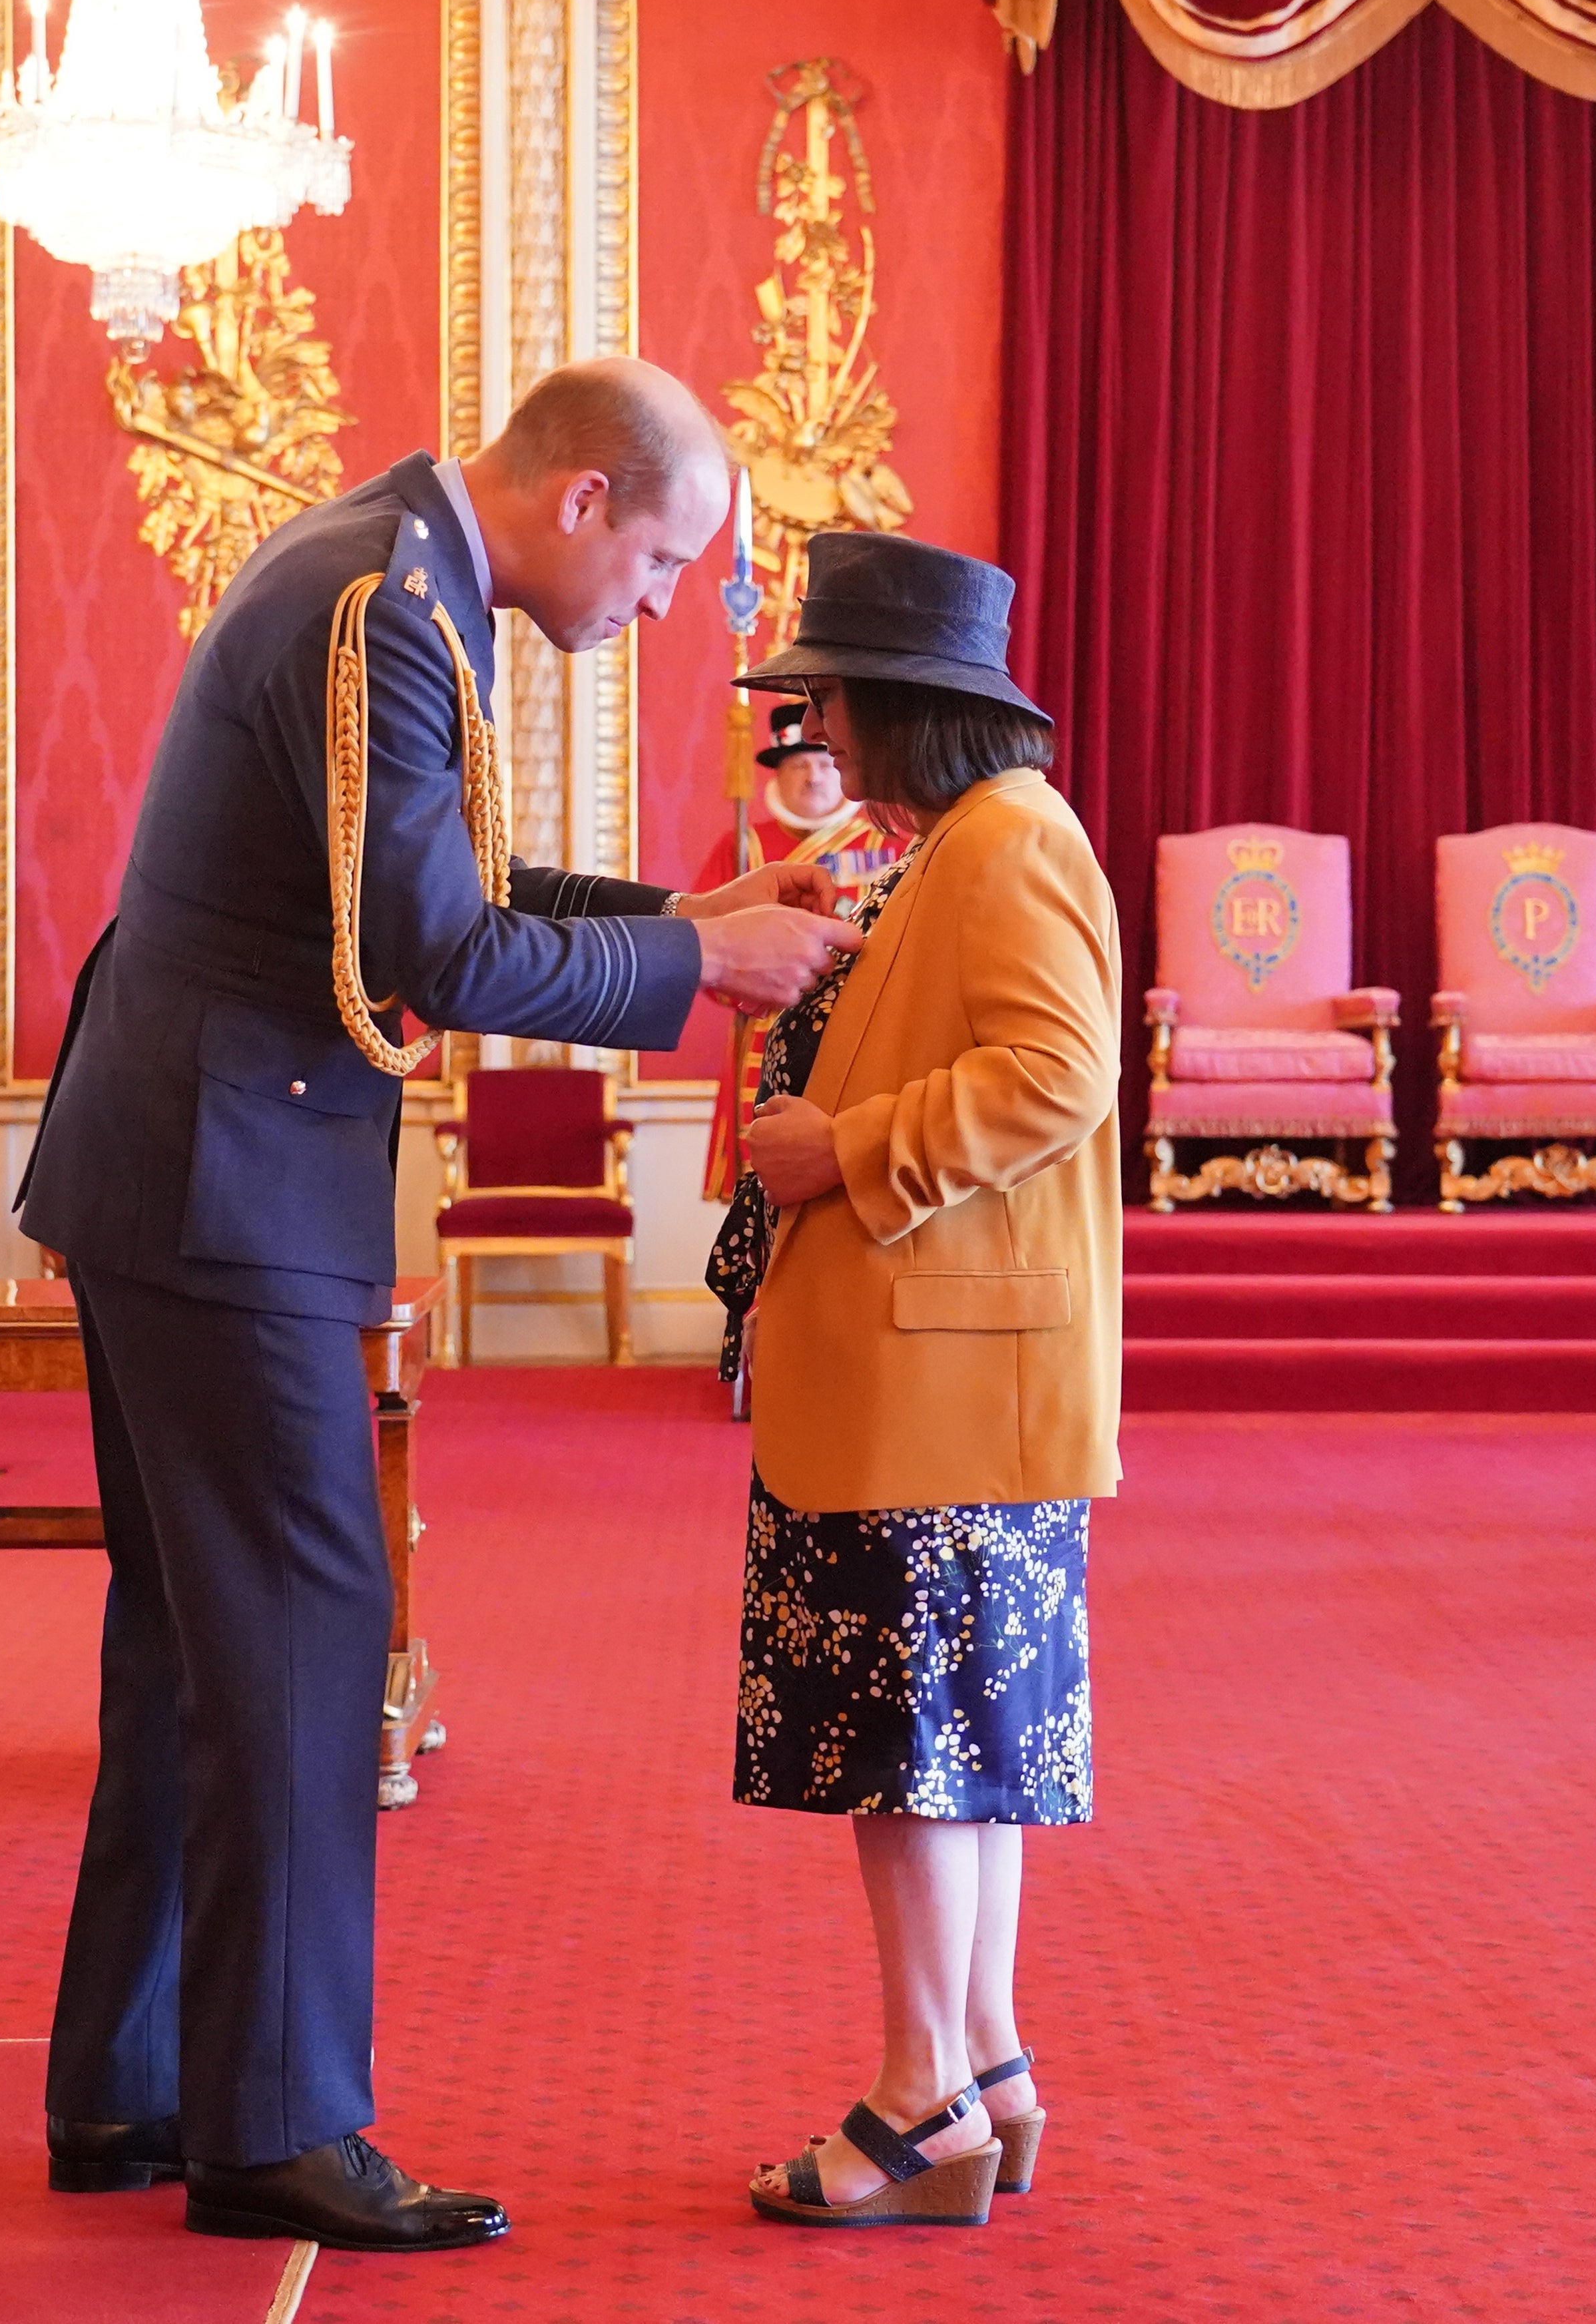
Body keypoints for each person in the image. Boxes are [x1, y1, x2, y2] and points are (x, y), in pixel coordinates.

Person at [11, 358, 860, 2253]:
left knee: (193, 1638)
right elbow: (434, 944)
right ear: (581, 499)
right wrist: (696, 956)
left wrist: (693, 913)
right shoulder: (379, 607)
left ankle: (130, 2084)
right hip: (227, 1179)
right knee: (308, 1629)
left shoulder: (386, 570)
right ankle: (277, 2124)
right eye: (657, 563)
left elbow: (429, 883)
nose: (654, 606)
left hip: (188, 1159)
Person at [724, 532, 1122, 2228]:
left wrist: (840, 1148)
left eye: (816, 706)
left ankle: (918, 2098)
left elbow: (1057, 1073)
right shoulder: (955, 843)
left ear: (896, 705)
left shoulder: (1008, 844)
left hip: (940, 1389)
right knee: (957, 1749)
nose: (807, 739)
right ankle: (983, 2062)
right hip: (931, 1381)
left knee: (911, 1761)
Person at [700, 702, 915, 1199]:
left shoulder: (892, 840)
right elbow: (704, 951)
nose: (814, 777)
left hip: (865, 1025)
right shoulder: (744, 846)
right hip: (768, 1026)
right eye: (799, 765)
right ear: (777, 773)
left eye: (822, 762)